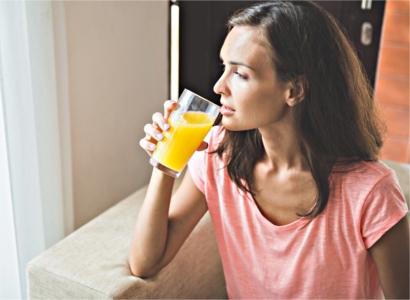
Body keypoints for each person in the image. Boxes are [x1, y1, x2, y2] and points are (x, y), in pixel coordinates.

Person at [129, 1, 409, 299]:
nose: (218, 85)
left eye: (240, 73)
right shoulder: (217, 156)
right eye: (224, 67)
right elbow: (145, 263)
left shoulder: (371, 192)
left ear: (294, 90)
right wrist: (165, 163)